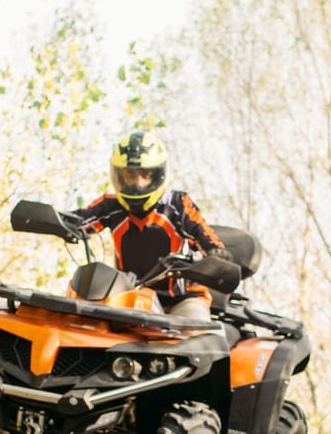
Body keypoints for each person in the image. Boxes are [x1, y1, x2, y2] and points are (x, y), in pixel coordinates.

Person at [69, 130, 228, 320]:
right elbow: (75, 221)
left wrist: (216, 253)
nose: (138, 183)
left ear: (157, 175)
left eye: (145, 175)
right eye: (130, 175)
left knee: (198, 335)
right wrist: (51, 221)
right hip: (131, 298)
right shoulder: (111, 206)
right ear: (118, 175)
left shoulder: (177, 205)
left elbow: (206, 236)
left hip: (183, 301)